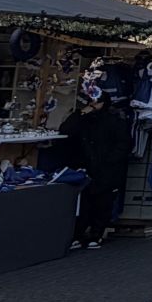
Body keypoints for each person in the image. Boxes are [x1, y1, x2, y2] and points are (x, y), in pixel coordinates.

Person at [59, 89, 132, 249]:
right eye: (90, 102)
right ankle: (77, 234)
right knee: (82, 203)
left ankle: (96, 234)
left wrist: (110, 160)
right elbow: (65, 130)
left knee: (102, 203)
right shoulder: (82, 119)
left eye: (97, 102)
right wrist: (80, 113)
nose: (93, 105)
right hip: (83, 167)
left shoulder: (114, 121)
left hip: (106, 168)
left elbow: (124, 143)